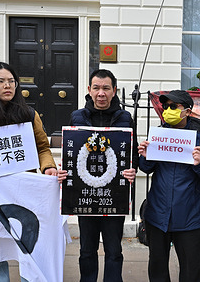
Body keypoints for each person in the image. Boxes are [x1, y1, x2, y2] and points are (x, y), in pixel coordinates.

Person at [0, 61, 67, 282]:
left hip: (23, 191)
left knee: (29, 243)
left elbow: (42, 147)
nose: (8, 86)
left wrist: (48, 168)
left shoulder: (28, 114)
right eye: (1, 81)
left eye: (11, 81)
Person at [138, 90, 200, 282]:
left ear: (188, 112)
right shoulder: (159, 134)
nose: (168, 111)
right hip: (158, 215)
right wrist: (144, 156)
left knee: (191, 271)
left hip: (189, 218)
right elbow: (146, 168)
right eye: (165, 107)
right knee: (157, 268)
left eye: (173, 107)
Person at [69, 69, 137, 282]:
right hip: (85, 195)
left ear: (114, 91)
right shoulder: (77, 116)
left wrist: (133, 169)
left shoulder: (125, 118)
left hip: (114, 195)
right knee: (86, 250)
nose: (101, 93)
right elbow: (70, 151)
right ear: (89, 90)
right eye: (96, 88)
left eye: (106, 88)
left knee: (114, 250)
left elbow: (132, 153)